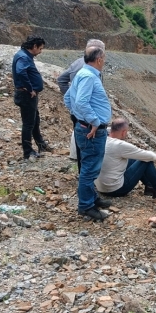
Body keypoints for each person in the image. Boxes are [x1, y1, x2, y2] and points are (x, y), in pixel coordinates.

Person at [64, 46, 111, 220]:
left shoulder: (82, 73)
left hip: (85, 128)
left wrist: (79, 117)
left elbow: (68, 98)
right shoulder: (90, 77)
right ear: (98, 59)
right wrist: (93, 121)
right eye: (103, 58)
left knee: (89, 166)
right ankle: (86, 206)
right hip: (92, 132)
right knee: (89, 169)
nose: (104, 61)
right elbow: (81, 102)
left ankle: (92, 198)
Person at [57, 39, 106, 171]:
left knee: (82, 143)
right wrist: (94, 119)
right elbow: (82, 100)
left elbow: (61, 80)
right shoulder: (88, 71)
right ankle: (85, 175)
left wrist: (72, 104)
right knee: (88, 145)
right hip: (87, 115)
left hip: (80, 113)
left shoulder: (78, 63)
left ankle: (83, 172)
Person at [95, 117, 156, 198]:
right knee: (146, 161)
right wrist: (155, 155)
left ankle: (150, 187)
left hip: (100, 186)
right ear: (123, 132)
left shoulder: (102, 137)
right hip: (115, 190)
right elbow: (150, 156)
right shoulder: (119, 145)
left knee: (134, 158)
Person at [12, 35, 51, 160]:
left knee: (35, 120)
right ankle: (28, 152)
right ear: (34, 46)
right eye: (40, 49)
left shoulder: (26, 56)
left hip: (30, 95)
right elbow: (20, 72)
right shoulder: (23, 57)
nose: (40, 52)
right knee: (28, 123)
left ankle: (40, 144)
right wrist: (30, 88)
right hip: (26, 95)